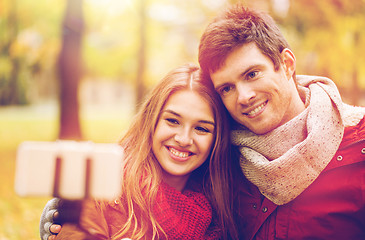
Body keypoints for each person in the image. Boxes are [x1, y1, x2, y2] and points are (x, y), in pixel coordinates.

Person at [198, 3, 365, 240]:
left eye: (252, 74)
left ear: (287, 65)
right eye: (227, 88)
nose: (244, 97)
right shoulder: (219, 161)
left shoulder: (360, 147)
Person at [39, 63, 238, 240]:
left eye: (201, 128)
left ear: (217, 139)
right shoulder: (103, 188)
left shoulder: (220, 206)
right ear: (152, 120)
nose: (184, 139)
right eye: (172, 121)